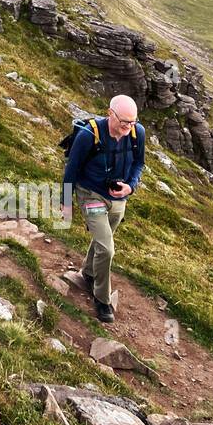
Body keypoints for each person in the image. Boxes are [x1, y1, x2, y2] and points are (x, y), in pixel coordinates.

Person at [62, 94, 145, 323]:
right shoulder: (89, 135)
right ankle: (102, 299)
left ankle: (88, 273)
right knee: (107, 249)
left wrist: (131, 187)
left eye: (133, 121)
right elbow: (71, 170)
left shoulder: (138, 133)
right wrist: (66, 202)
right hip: (91, 194)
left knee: (102, 241)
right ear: (110, 114)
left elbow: (139, 163)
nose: (129, 127)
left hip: (119, 198)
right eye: (124, 121)